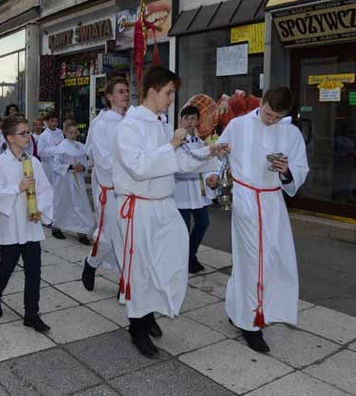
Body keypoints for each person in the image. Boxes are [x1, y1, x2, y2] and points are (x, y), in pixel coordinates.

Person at [113, 67, 228, 358]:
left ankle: (148, 313)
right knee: (141, 269)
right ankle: (136, 327)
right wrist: (171, 146)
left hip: (163, 204)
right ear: (152, 91)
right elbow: (138, 168)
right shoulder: (130, 125)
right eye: (168, 93)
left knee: (165, 261)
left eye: (172, 94)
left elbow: (177, 161)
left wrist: (209, 155)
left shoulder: (160, 123)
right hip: (139, 206)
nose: (170, 99)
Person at [217, 86, 309, 353]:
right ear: (262, 102)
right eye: (268, 114)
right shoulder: (238, 125)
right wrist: (214, 175)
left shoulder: (290, 132)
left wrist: (287, 171)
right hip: (246, 198)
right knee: (252, 258)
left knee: (272, 257)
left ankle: (243, 308)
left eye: (276, 118)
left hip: (272, 202)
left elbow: (301, 168)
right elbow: (220, 154)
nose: (270, 121)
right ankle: (250, 324)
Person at [0, 114, 54, 332]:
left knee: (34, 270)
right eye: (22, 133)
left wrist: (39, 210)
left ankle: (31, 313)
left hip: (30, 223)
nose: (27, 137)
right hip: (11, 224)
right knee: (7, 266)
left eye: (28, 133)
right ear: (9, 138)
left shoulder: (32, 162)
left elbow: (46, 189)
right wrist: (17, 188)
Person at [81, 77, 129, 290]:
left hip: (130, 189)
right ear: (109, 97)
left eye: (127, 91)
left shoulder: (131, 121)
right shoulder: (102, 124)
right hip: (110, 189)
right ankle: (91, 263)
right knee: (108, 237)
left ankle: (124, 281)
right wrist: (131, 170)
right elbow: (102, 159)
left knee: (127, 236)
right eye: (120, 91)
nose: (125, 95)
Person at [174, 105, 221, 274]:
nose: (189, 122)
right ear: (181, 120)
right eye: (186, 118)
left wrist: (212, 176)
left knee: (203, 223)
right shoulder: (175, 141)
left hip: (196, 191)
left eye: (193, 118)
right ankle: (184, 260)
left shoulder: (201, 142)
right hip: (180, 191)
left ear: (197, 121)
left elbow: (207, 163)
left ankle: (190, 255)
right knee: (183, 229)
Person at [51, 120, 94, 244]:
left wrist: (83, 167)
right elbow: (57, 164)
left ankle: (82, 231)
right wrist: (70, 167)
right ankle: (57, 226)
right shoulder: (61, 147)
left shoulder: (80, 146)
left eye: (75, 132)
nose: (73, 135)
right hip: (65, 180)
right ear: (65, 132)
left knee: (81, 205)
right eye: (70, 132)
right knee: (63, 203)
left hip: (78, 180)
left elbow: (85, 161)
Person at [36, 111, 64, 187]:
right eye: (52, 121)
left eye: (56, 121)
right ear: (47, 122)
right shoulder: (44, 136)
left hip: (59, 164)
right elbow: (40, 152)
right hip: (48, 165)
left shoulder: (60, 133)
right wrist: (55, 150)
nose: (54, 123)